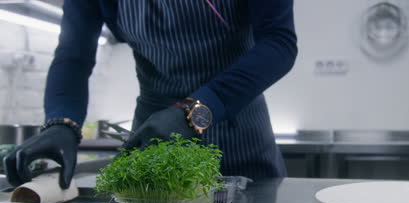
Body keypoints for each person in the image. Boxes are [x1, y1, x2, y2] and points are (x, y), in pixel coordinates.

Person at [3, 0, 297, 190]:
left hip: (238, 131)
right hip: (154, 136)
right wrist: (61, 122)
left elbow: (279, 44)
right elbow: (73, 56)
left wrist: (193, 111)